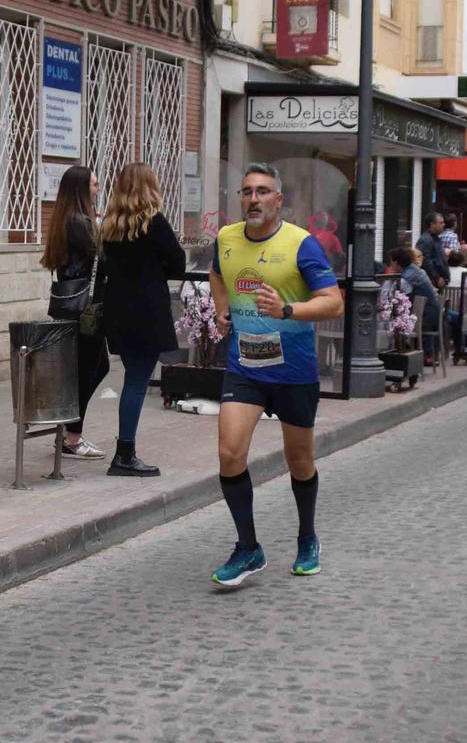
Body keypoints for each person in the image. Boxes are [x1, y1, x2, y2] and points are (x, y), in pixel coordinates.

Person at [208, 163, 343, 587]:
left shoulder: (300, 244)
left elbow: (333, 302)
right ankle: (248, 548)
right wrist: (220, 306)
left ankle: (307, 538)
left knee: (299, 461)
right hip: (245, 367)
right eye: (247, 192)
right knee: (230, 454)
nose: (253, 199)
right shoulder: (227, 239)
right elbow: (217, 273)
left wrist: (287, 310)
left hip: (294, 371)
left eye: (263, 191)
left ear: (278, 200)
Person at [95, 162, 185, 477]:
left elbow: (105, 270)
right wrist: (154, 269)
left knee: (132, 380)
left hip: (118, 311)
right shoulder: (154, 222)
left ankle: (125, 452)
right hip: (147, 312)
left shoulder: (109, 226)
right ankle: (124, 455)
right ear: (150, 188)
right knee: (136, 383)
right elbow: (178, 262)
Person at [42, 165, 109, 460]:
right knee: (88, 371)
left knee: (88, 369)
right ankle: (72, 437)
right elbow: (103, 255)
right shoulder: (80, 222)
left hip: (70, 306)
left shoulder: (65, 218)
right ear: (82, 189)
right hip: (83, 309)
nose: (98, 189)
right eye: (94, 185)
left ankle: (68, 428)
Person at [415, 212, 449, 288]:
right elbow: (425, 261)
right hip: (431, 283)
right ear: (432, 224)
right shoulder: (426, 240)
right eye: (441, 223)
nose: (443, 225)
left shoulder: (436, 239)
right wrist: (437, 278)